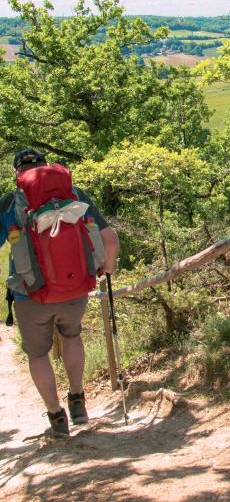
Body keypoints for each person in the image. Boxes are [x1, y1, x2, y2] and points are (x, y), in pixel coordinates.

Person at [0, 149, 119, 437]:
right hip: (75, 288)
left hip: (31, 294)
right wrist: (107, 268)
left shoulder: (11, 201)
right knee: (72, 336)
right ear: (47, 166)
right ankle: (77, 400)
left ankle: (56, 416)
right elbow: (110, 238)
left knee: (38, 354)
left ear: (18, 173)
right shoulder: (75, 193)